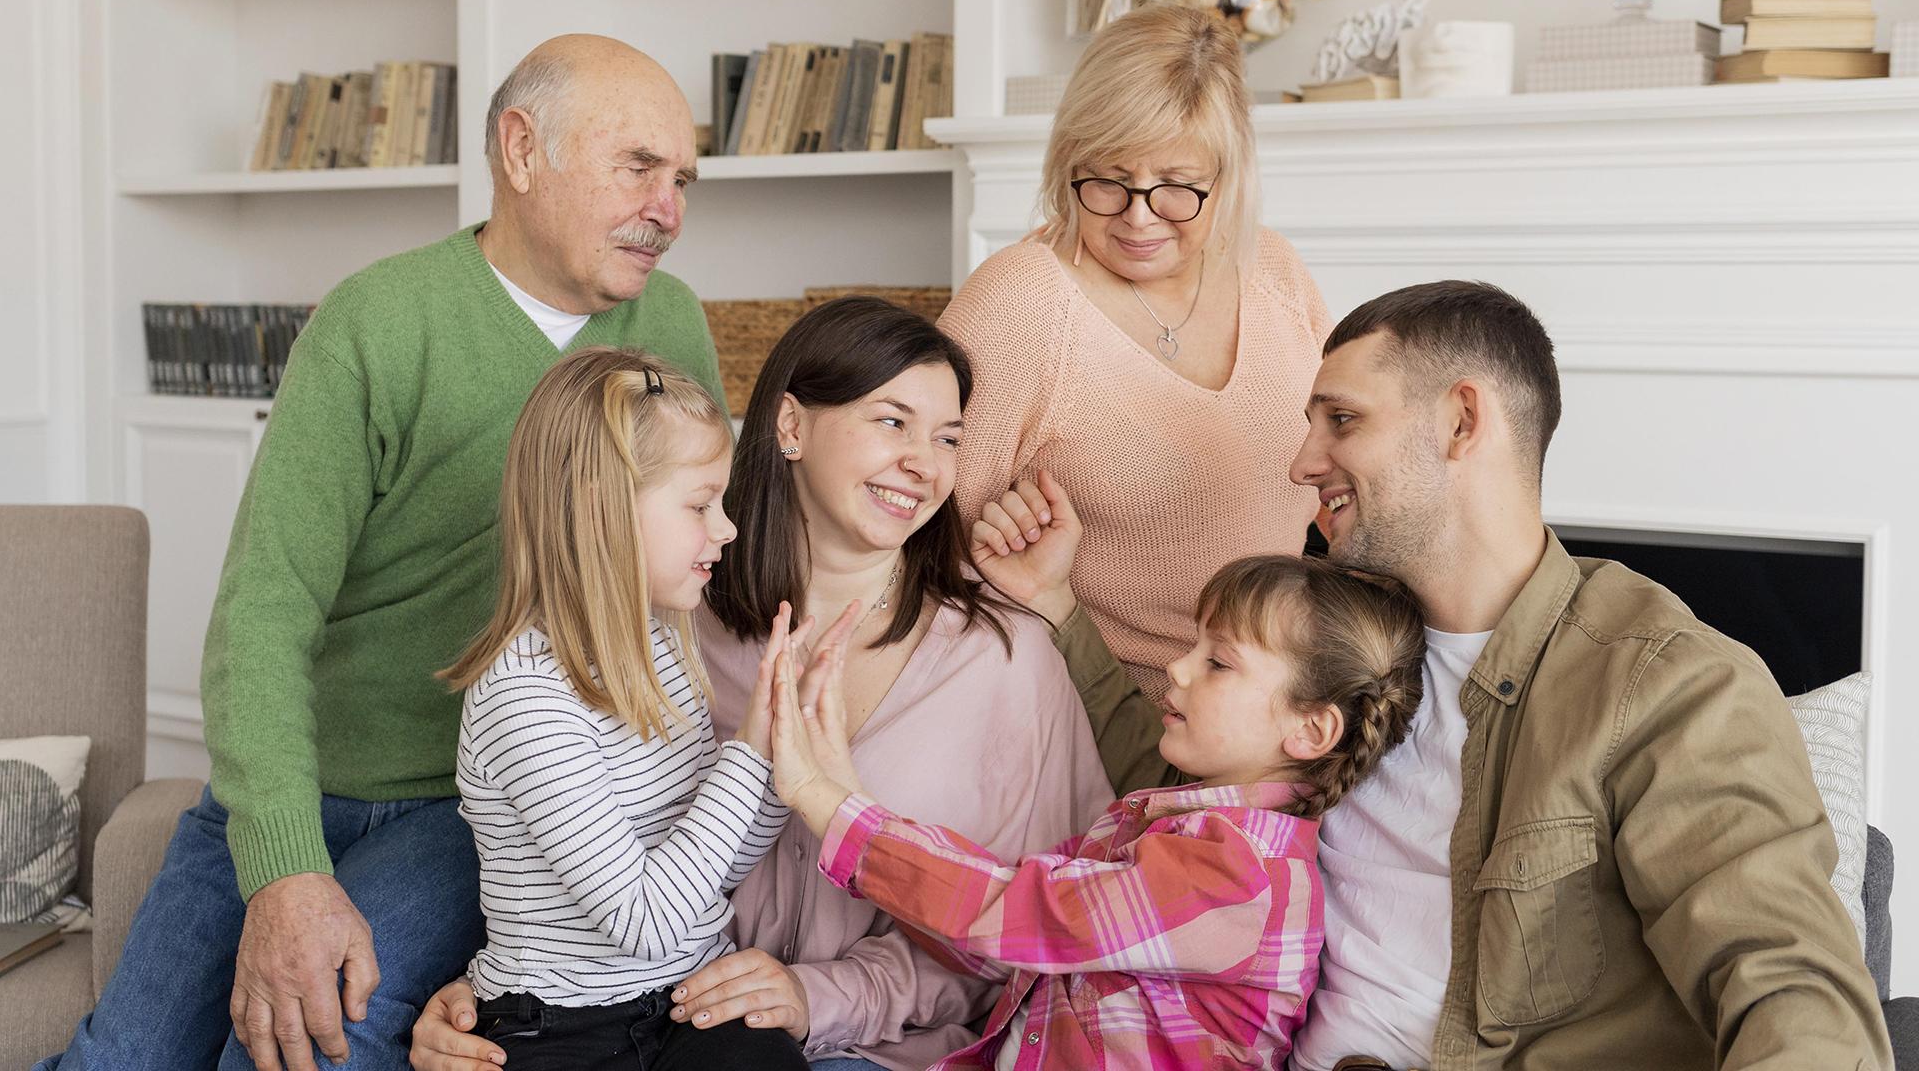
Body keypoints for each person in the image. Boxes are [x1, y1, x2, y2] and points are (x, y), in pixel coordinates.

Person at [979, 281, 1895, 1069]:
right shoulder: (1345, 636)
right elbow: (1199, 785)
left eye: (1342, 420)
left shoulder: (1665, 687)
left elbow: (1792, 987)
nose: (1302, 462)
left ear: (1463, 421)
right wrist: (1059, 606)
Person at [36, 35, 722, 1071]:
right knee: (115, 1060)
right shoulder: (378, 321)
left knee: (296, 1047)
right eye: (639, 167)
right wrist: (284, 870)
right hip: (295, 779)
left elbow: (695, 575)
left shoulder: (667, 326)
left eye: (683, 180)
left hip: (477, 800)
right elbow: (265, 609)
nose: (669, 208)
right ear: (521, 149)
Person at [408, 298, 1114, 1071]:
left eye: (948, 437)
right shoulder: (673, 622)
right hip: (677, 1013)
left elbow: (1048, 925)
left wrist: (826, 997)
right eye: (892, 422)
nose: (926, 461)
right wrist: (483, 994)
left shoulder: (1004, 660)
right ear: (790, 427)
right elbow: (577, 880)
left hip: (881, 1048)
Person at [767, 552, 1426, 1070]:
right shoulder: (1161, 828)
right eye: (1195, 647)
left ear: (1311, 731)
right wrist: (849, 803)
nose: (1181, 668)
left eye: (1218, 661)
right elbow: (1013, 947)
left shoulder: (1237, 877)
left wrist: (836, 810)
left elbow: (1023, 912)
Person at [944, 5, 1327, 707]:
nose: (1139, 215)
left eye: (1178, 185)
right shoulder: (1021, 301)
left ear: (1229, 170)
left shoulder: (1272, 268)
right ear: (1068, 161)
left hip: (1276, 713)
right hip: (1105, 714)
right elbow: (927, 536)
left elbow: (1341, 476)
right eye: (1108, 179)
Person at [437, 349, 806, 1070]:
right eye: (700, 505)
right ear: (602, 510)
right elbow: (645, 922)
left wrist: (786, 755)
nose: (725, 529)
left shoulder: (663, 647)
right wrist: (750, 749)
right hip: (557, 1031)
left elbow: (716, 865)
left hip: (686, 1000)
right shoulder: (524, 696)